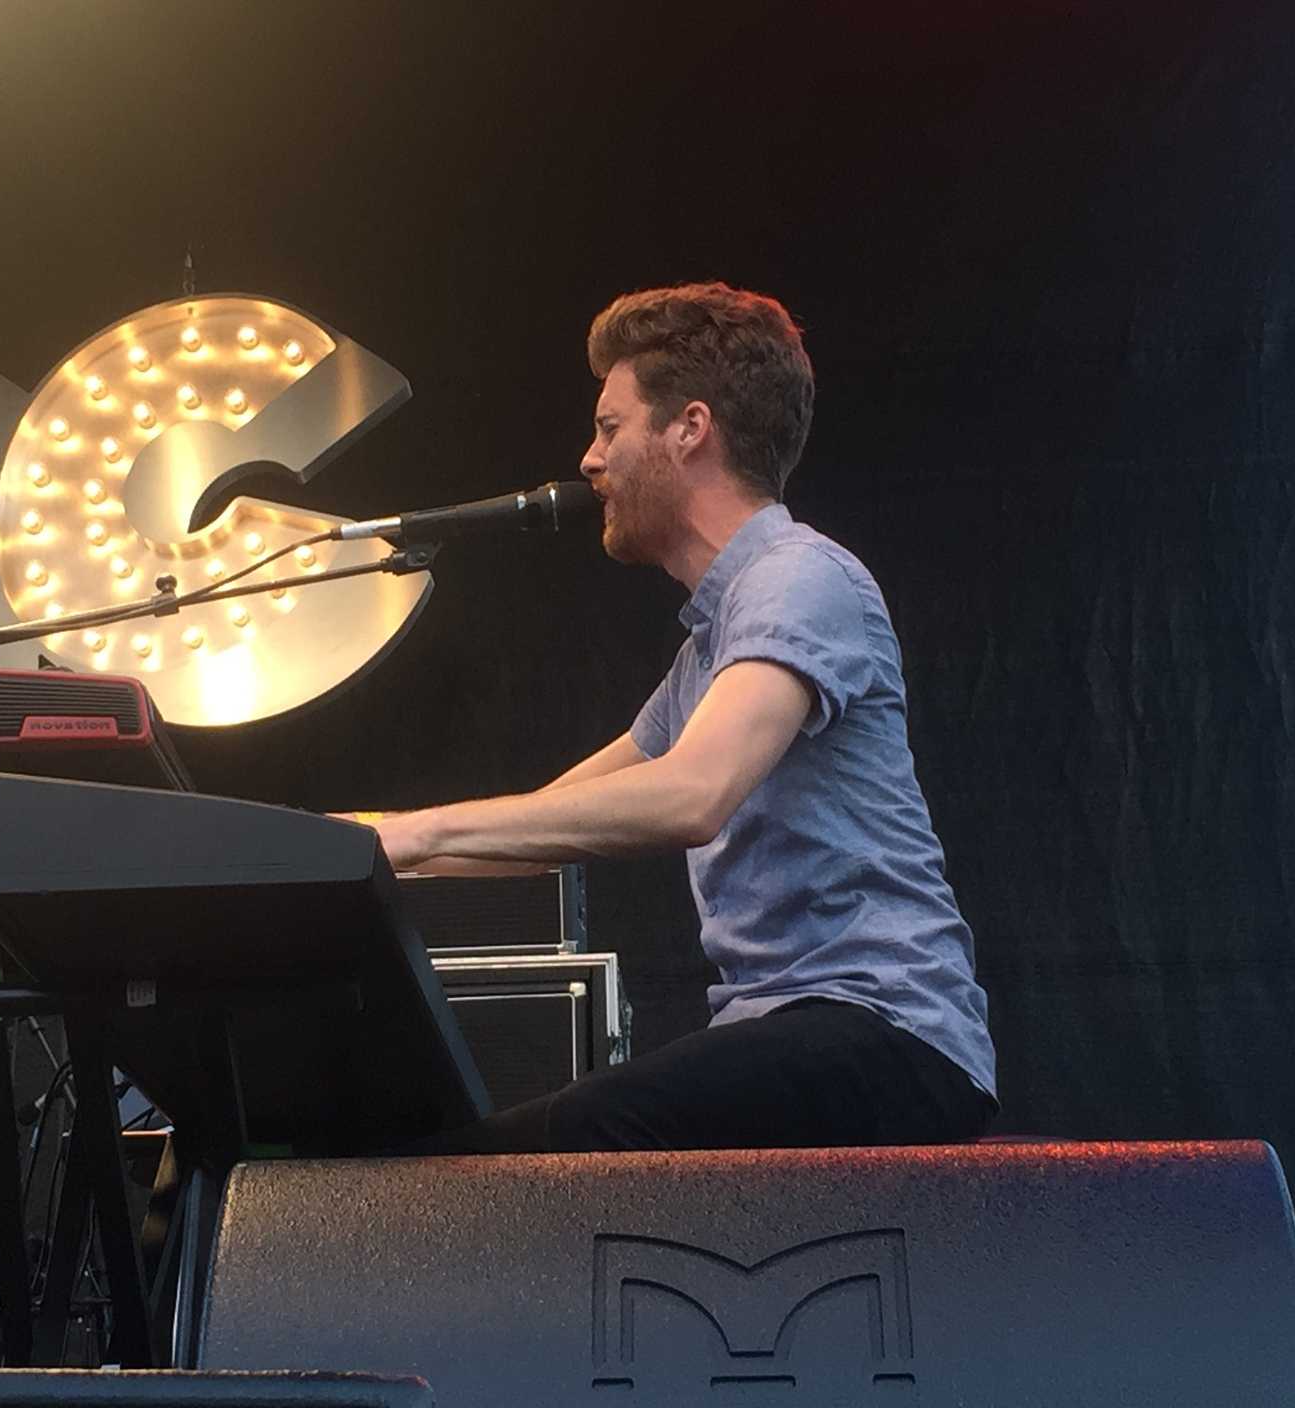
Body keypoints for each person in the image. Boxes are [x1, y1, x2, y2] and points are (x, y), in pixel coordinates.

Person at [376, 282, 997, 1153]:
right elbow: (551, 820)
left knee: (533, 1159)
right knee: (492, 1164)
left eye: (609, 427)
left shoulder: (800, 576)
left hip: (888, 1036)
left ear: (689, 428)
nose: (589, 461)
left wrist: (407, 837)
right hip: (798, 1036)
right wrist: (351, 854)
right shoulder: (710, 649)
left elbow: (691, 793)